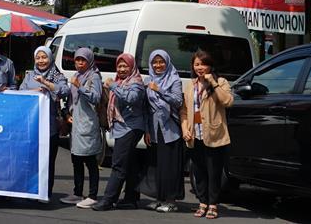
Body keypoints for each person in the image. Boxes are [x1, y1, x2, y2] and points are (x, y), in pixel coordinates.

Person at [181, 50, 233, 220]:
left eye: (203, 64)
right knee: (199, 172)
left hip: (214, 134)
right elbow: (184, 110)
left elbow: (228, 101)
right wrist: (185, 128)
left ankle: (212, 204)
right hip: (195, 135)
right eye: (197, 64)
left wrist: (213, 83)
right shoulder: (190, 85)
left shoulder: (220, 82)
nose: (200, 67)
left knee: (214, 172)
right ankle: (202, 202)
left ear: (210, 65)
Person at [92, 53, 147, 211]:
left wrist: (113, 86)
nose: (122, 69)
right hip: (123, 127)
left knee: (118, 165)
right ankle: (131, 198)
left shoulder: (135, 82)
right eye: (119, 66)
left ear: (132, 67)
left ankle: (108, 200)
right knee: (130, 163)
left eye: (125, 66)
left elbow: (132, 98)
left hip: (130, 127)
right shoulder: (120, 81)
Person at [19, 45, 69, 200]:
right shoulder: (29, 76)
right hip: (32, 126)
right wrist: (34, 92)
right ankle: (31, 190)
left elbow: (64, 90)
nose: (41, 61)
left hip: (50, 127)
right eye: (38, 57)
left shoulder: (57, 75)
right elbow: (20, 92)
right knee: (31, 159)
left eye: (44, 57)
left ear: (50, 58)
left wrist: (46, 83)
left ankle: (45, 193)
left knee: (48, 162)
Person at [143, 49, 184, 213]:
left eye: (161, 62)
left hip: (171, 129)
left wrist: (159, 89)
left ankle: (171, 200)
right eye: (155, 62)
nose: (158, 65)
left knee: (170, 166)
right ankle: (159, 199)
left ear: (167, 63)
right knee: (157, 165)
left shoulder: (174, 79)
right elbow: (146, 107)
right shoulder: (148, 79)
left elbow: (178, 101)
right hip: (154, 129)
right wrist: (147, 130)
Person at [60, 47, 102, 209]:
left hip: (88, 123)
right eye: (77, 60)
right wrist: (67, 114)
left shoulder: (94, 77)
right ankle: (78, 192)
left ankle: (93, 195)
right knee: (76, 159)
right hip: (76, 123)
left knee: (90, 161)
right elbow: (71, 99)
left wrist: (80, 86)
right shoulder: (77, 75)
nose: (79, 63)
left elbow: (96, 98)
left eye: (83, 60)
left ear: (90, 61)